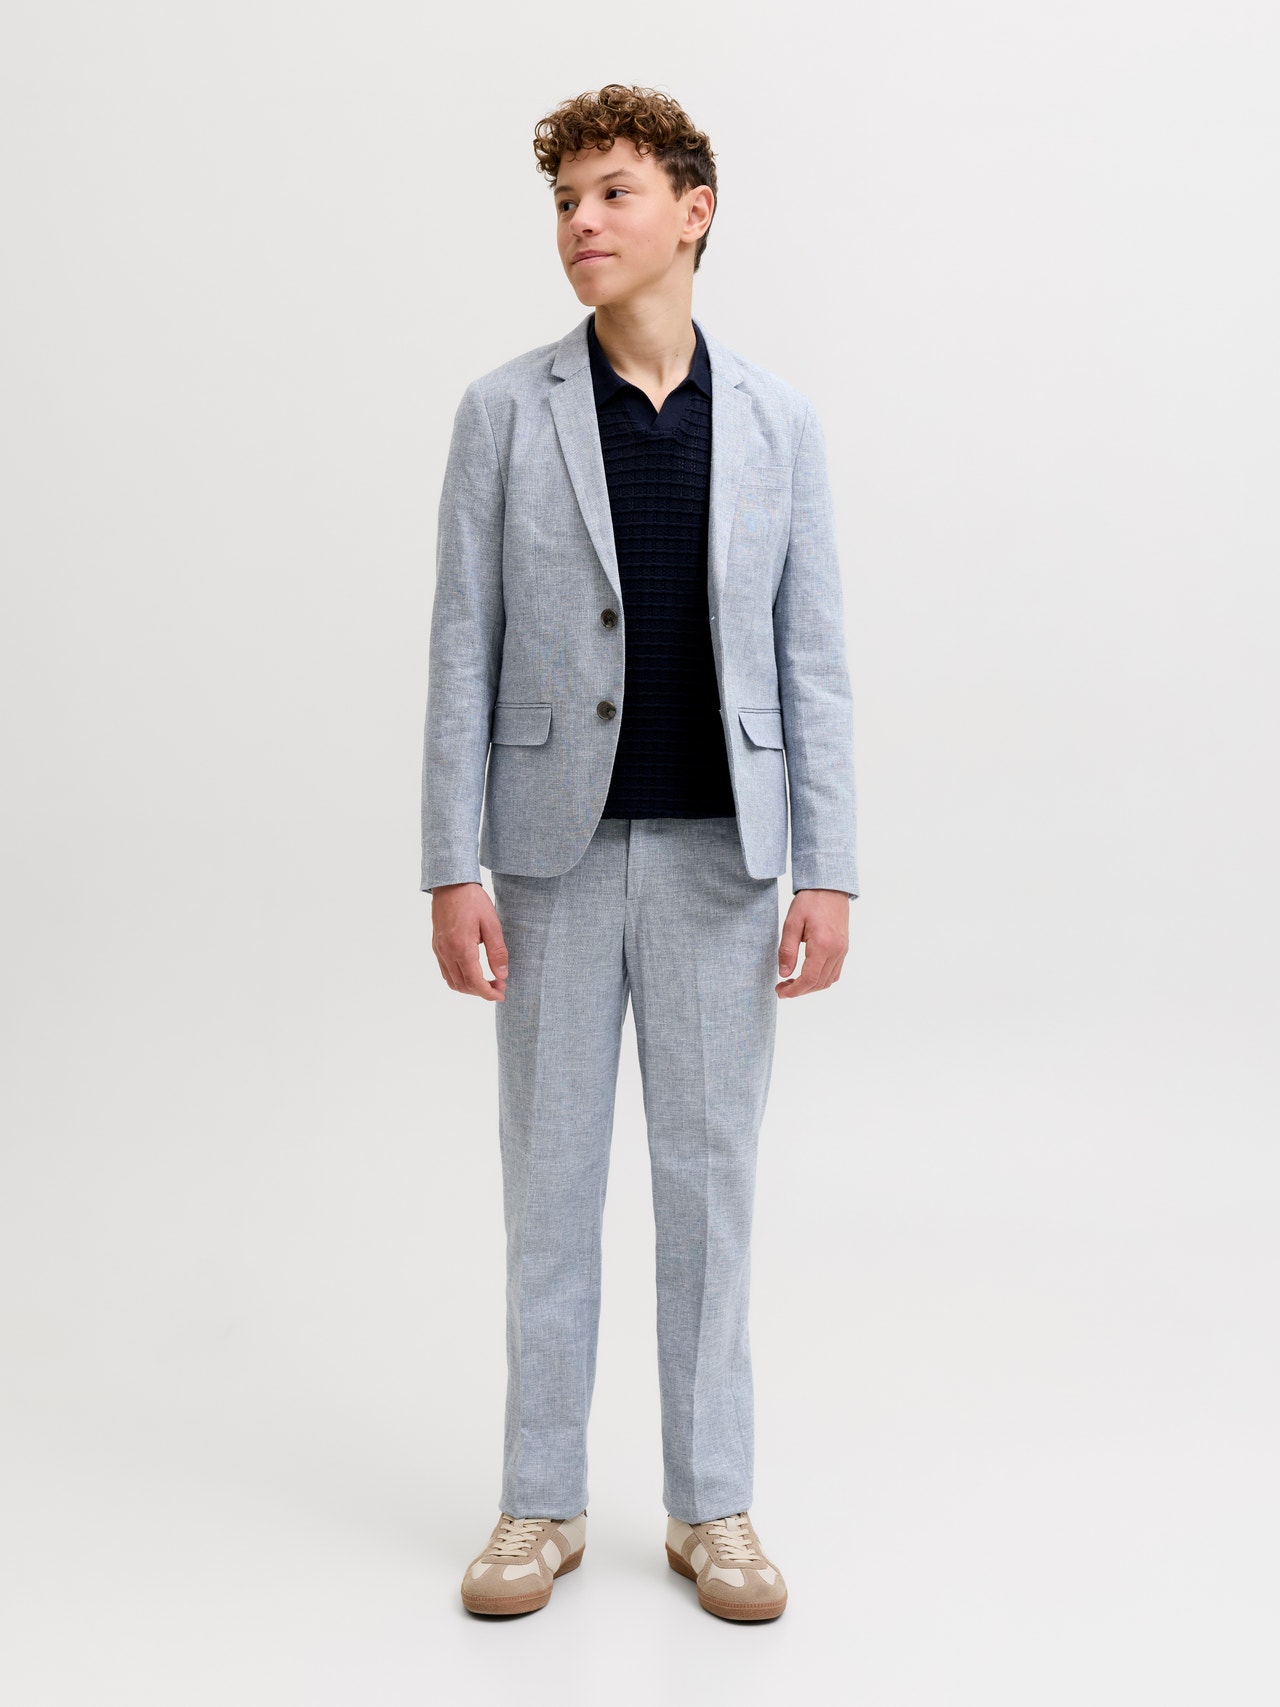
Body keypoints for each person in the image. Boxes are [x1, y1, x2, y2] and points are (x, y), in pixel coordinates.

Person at [420, 83, 858, 1622]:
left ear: (693, 211)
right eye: (565, 201)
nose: (581, 224)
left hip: (722, 863)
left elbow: (814, 663)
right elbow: (461, 647)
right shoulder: (504, 413)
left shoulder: (779, 423)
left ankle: (710, 1506)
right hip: (548, 861)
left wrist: (830, 868)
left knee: (710, 1191)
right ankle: (539, 1502)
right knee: (548, 1188)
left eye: (612, 193)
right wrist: (450, 862)